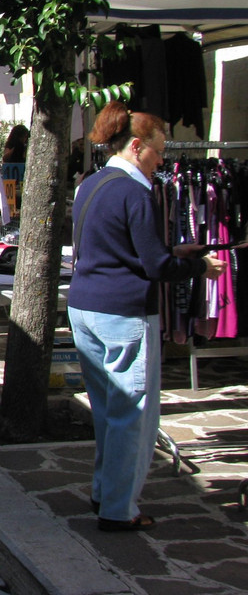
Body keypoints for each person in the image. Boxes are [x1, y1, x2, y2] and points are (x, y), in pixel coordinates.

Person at [68, 101, 225, 532]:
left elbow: (120, 248)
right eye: (158, 152)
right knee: (132, 414)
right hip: (122, 312)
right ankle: (119, 510)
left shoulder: (91, 184)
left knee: (107, 411)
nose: (163, 161)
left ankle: (105, 492)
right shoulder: (136, 192)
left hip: (85, 306)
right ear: (137, 147)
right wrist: (200, 267)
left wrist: (174, 252)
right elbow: (154, 267)